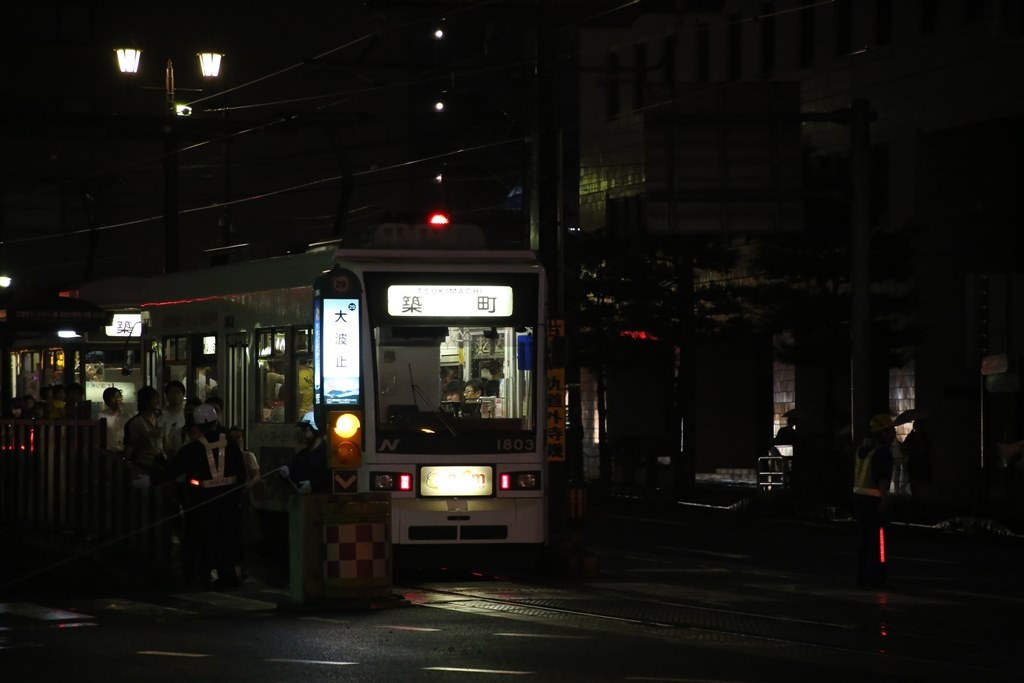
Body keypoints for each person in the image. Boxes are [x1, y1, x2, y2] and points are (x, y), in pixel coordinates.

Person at [159, 403, 247, 589]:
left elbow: (171, 471)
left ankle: (198, 575)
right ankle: (228, 573)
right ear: (216, 421)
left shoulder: (192, 449)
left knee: (197, 539)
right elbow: (242, 473)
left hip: (201, 502)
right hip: (228, 500)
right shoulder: (231, 444)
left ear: (197, 426)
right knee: (227, 538)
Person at [852, 413, 896, 589]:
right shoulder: (882, 452)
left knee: (863, 541)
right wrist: (884, 501)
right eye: (890, 430)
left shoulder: (861, 451)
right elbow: (882, 479)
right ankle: (878, 578)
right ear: (882, 432)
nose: (893, 433)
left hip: (859, 499)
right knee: (879, 543)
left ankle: (862, 576)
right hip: (874, 501)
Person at [123, 385, 167, 471]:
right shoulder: (135, 422)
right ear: (146, 401)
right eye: (155, 398)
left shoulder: (160, 418)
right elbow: (130, 447)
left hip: (161, 463)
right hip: (142, 465)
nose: (158, 401)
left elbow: (165, 441)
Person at [287, 411, 329, 494]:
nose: (302, 433)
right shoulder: (302, 454)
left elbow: (330, 477)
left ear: (315, 429)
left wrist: (313, 485)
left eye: (305, 429)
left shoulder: (328, 454)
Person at [902, 418, 932, 505]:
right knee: (915, 489)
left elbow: (926, 449)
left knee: (923, 489)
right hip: (914, 465)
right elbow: (904, 450)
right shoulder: (911, 436)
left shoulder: (924, 437)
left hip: (923, 466)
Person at [98, 387, 129, 454]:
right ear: (107, 401)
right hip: (108, 453)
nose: (117, 400)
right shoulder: (101, 416)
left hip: (125, 452)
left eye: (119, 397)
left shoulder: (128, 415)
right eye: (113, 398)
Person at [162, 380, 187, 457]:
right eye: (172, 393)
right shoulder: (160, 415)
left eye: (178, 393)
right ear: (167, 395)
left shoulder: (186, 415)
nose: (175, 396)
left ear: (183, 395)